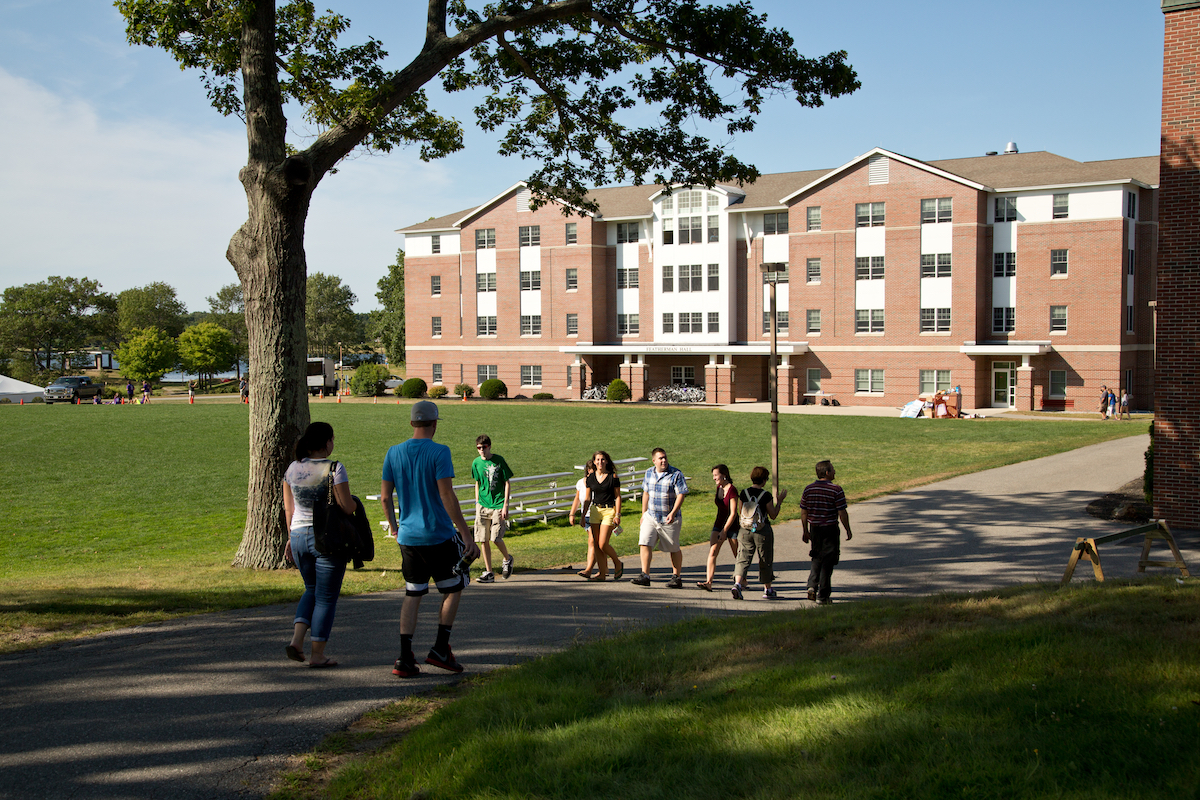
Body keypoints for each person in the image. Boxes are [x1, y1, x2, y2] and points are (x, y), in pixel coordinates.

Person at [381, 400, 479, 678]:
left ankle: (404, 656)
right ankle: (439, 648)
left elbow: (386, 498)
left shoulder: (393, 453)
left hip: (408, 537)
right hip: (438, 535)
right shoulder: (440, 452)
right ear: (434, 424)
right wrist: (465, 532)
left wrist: (394, 527)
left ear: (412, 423)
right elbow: (447, 495)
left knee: (413, 593)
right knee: (453, 587)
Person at [282, 421, 356, 668]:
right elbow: (345, 506)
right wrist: (355, 505)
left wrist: (290, 539)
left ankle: (296, 640)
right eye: (332, 439)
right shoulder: (334, 468)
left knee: (311, 589)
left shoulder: (292, 469)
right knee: (326, 597)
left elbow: (289, 509)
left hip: (298, 535)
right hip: (325, 538)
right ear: (326, 442)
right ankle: (317, 654)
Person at [632, 448, 689, 588]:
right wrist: (643, 513)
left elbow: (681, 494)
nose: (663, 461)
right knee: (644, 542)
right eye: (660, 458)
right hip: (651, 516)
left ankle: (676, 577)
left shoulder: (676, 474)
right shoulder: (649, 473)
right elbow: (645, 493)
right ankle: (645, 575)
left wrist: (673, 512)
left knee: (673, 547)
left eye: (665, 458)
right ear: (654, 461)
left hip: (669, 518)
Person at [730, 466, 787, 600]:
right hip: (762, 530)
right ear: (764, 480)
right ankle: (767, 588)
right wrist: (779, 502)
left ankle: (737, 583)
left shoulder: (744, 493)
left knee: (743, 557)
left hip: (745, 529)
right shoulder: (766, 495)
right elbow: (773, 515)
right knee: (765, 558)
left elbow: (741, 511)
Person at [800, 460, 852, 605]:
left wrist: (805, 530)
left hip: (815, 528)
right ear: (827, 472)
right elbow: (842, 512)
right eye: (833, 470)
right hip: (830, 529)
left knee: (816, 556)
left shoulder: (808, 489)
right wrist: (847, 529)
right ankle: (823, 595)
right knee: (828, 561)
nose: (835, 472)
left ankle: (811, 585)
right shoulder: (836, 490)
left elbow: (804, 512)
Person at [471, 434, 514, 582]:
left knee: (496, 537)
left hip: (498, 504)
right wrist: (477, 502)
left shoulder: (499, 461)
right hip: (483, 505)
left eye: (484, 447)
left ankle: (507, 559)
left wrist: (505, 504)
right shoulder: (476, 463)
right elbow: (477, 482)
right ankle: (488, 572)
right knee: (483, 539)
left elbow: (507, 482)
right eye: (478, 448)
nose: (481, 450)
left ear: (489, 446)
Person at [582, 451, 624, 581]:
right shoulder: (590, 478)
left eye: (603, 459)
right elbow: (588, 498)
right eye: (598, 460)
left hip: (609, 510)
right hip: (595, 510)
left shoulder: (613, 477)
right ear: (594, 462)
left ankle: (617, 562)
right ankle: (601, 574)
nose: (600, 462)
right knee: (595, 543)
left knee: (602, 544)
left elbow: (617, 497)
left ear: (606, 461)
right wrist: (583, 515)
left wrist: (617, 514)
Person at [697, 464, 739, 591]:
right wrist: (720, 529)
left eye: (716, 475)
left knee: (737, 554)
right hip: (718, 523)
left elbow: (733, 513)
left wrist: (725, 530)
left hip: (731, 526)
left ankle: (742, 579)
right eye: (713, 475)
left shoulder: (732, 490)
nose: (714, 478)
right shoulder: (719, 488)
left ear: (724, 475)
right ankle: (709, 582)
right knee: (712, 551)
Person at [568, 459, 597, 577]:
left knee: (592, 541)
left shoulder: (598, 482)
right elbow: (577, 498)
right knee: (597, 543)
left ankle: (588, 569)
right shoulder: (581, 483)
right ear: (588, 470)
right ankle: (604, 567)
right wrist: (572, 513)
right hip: (586, 517)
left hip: (596, 515)